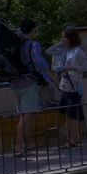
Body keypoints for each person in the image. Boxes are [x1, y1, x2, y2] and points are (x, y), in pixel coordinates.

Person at [10, 19, 53, 157]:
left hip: (15, 83)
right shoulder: (32, 45)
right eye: (35, 30)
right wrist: (51, 79)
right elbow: (41, 65)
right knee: (25, 117)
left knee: (25, 115)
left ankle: (29, 143)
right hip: (28, 83)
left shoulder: (15, 44)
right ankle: (19, 145)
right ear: (32, 30)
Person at [54, 27, 87, 148]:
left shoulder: (77, 51)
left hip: (73, 85)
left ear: (70, 39)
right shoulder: (66, 51)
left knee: (72, 113)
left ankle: (73, 139)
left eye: (64, 37)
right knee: (66, 112)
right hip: (65, 85)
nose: (62, 39)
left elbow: (86, 67)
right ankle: (75, 136)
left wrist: (73, 68)